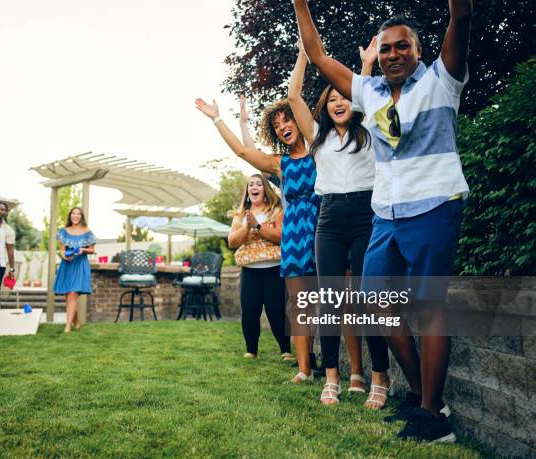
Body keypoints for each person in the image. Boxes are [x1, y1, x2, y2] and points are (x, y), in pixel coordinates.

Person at [293, 0, 472, 442]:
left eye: (402, 47)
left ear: (417, 49)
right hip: (386, 214)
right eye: (386, 48)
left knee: (428, 308)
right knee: (376, 304)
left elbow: (461, 17)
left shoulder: (441, 81)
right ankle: (420, 397)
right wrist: (300, 3)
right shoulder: (367, 92)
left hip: (433, 206)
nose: (392, 54)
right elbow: (317, 56)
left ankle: (434, 417)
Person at [287, 38, 392, 407]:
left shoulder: (371, 133)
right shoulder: (318, 138)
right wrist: (303, 55)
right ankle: (331, 377)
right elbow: (294, 96)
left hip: (367, 217)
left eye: (343, 98)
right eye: (331, 100)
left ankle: (379, 375)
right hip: (329, 219)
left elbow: (362, 93)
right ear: (325, 108)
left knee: (367, 300)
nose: (338, 103)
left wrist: (365, 69)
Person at [195, 96, 320, 384]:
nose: (282, 127)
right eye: (276, 125)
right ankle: (305, 369)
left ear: (300, 119)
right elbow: (243, 151)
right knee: (301, 305)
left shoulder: (321, 151)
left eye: (287, 120)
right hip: (296, 237)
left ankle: (349, 373)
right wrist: (218, 119)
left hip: (326, 227)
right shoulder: (281, 163)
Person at [228, 174, 291, 359]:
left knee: (276, 310)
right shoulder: (241, 215)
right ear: (248, 192)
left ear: (265, 189)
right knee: (249, 311)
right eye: (250, 185)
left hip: (274, 269)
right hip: (250, 270)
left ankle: (286, 350)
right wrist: (246, 226)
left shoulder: (276, 211)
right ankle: (251, 350)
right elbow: (232, 241)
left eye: (258, 184)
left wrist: (257, 227)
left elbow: (281, 237)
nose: (254, 187)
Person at [53, 207, 97, 333]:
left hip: (80, 264)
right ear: (70, 216)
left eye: (78, 214)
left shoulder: (87, 231)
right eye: (73, 213)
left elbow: (92, 249)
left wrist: (83, 250)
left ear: (81, 216)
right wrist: (64, 256)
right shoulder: (63, 231)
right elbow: (61, 250)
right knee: (68, 297)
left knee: (73, 294)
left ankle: (67, 326)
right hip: (67, 264)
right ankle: (76, 321)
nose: (76, 216)